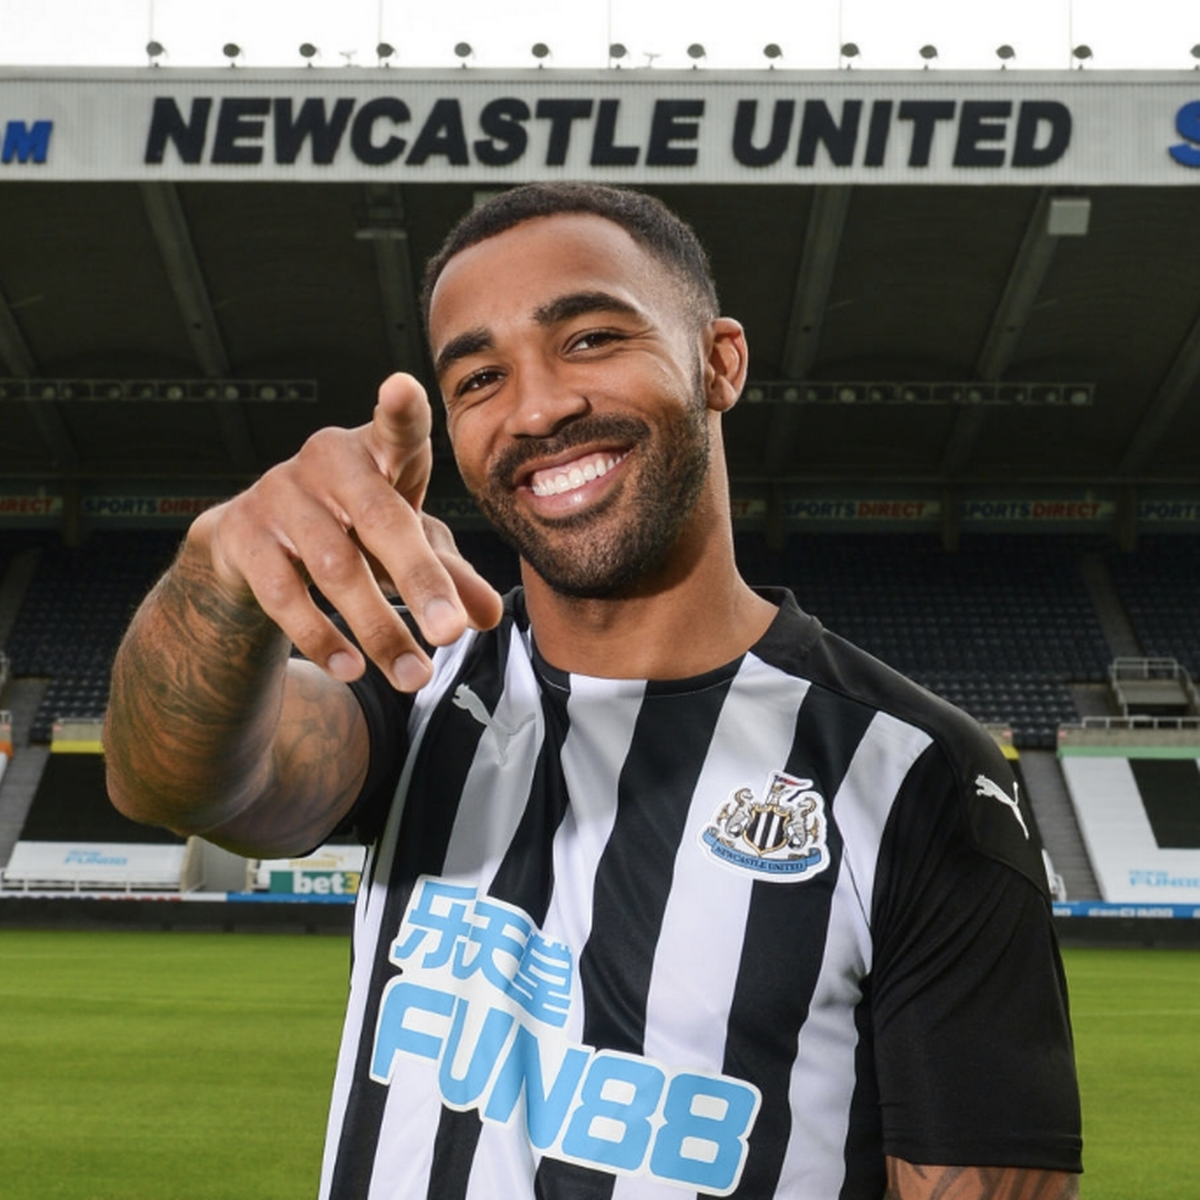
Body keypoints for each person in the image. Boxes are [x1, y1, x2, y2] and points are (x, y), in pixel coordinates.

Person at [105, 183, 1082, 1200]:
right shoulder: (422, 684)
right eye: (481, 378)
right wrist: (216, 568)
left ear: (719, 362)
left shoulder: (916, 777)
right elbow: (166, 779)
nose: (537, 409)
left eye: (590, 339)